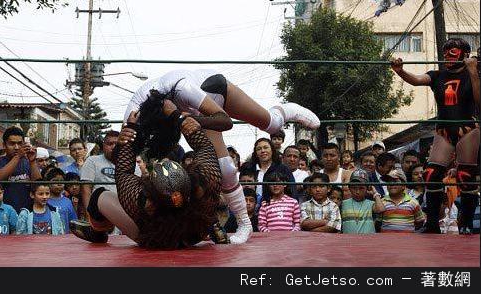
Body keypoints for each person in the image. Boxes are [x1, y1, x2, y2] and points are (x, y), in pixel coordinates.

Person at [122, 69, 321, 244]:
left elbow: (225, 121)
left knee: (272, 125)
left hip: (210, 88)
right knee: (224, 167)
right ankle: (245, 223)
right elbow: (123, 163)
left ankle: (286, 109)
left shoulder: (182, 88)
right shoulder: (133, 115)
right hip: (182, 111)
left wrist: (189, 119)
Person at [70, 112, 226, 249]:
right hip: (195, 232)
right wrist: (180, 117)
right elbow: (205, 149)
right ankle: (211, 224)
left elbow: (124, 170)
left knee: (100, 195)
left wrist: (130, 128)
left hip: (153, 237)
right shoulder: (203, 188)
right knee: (205, 195)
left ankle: (97, 233)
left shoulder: (142, 202)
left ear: (151, 195)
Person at [392, 38, 479, 234]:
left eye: (452, 52)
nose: (447, 55)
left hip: (467, 129)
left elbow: (479, 101)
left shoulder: (473, 73)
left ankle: (465, 225)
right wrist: (400, 71)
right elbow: (417, 79)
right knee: (431, 174)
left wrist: (473, 71)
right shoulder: (437, 75)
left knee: (466, 176)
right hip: (443, 130)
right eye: (445, 51)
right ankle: (432, 223)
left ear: (465, 54)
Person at [0, 126, 41, 212]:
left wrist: (32, 161)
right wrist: (18, 156)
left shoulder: (27, 162)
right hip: (2, 212)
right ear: (4, 145)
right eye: (12, 144)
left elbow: (38, 184)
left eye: (20, 143)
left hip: (26, 212)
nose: (16, 147)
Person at [245, 138, 296, 206]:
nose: (262, 151)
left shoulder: (283, 169)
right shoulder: (249, 169)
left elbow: (292, 191)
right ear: (256, 153)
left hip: (276, 210)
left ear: (272, 150)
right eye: (259, 149)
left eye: (266, 148)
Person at [80, 131, 119, 216]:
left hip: (123, 213)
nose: (113, 147)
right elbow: (86, 188)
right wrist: (89, 214)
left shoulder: (131, 164)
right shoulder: (92, 161)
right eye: (110, 144)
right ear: (104, 145)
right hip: (100, 214)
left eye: (117, 144)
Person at [379, 169, 425, 233]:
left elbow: (419, 222)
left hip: (407, 240)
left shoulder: (413, 202)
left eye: (395, 181)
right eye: (389, 181)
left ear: (403, 186)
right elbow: (378, 223)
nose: (392, 184)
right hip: (386, 240)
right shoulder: (382, 202)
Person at [341, 169, 385, 234]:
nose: (357, 192)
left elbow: (380, 209)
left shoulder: (371, 203)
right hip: (348, 241)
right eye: (354, 188)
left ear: (367, 188)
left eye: (361, 188)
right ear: (349, 188)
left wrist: (375, 193)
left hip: (367, 241)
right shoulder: (343, 203)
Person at [46, 168, 77, 234]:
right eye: (55, 181)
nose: (59, 184)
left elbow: (73, 223)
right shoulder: (45, 200)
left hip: (64, 239)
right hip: (47, 239)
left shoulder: (68, 202)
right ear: (48, 183)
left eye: (61, 181)